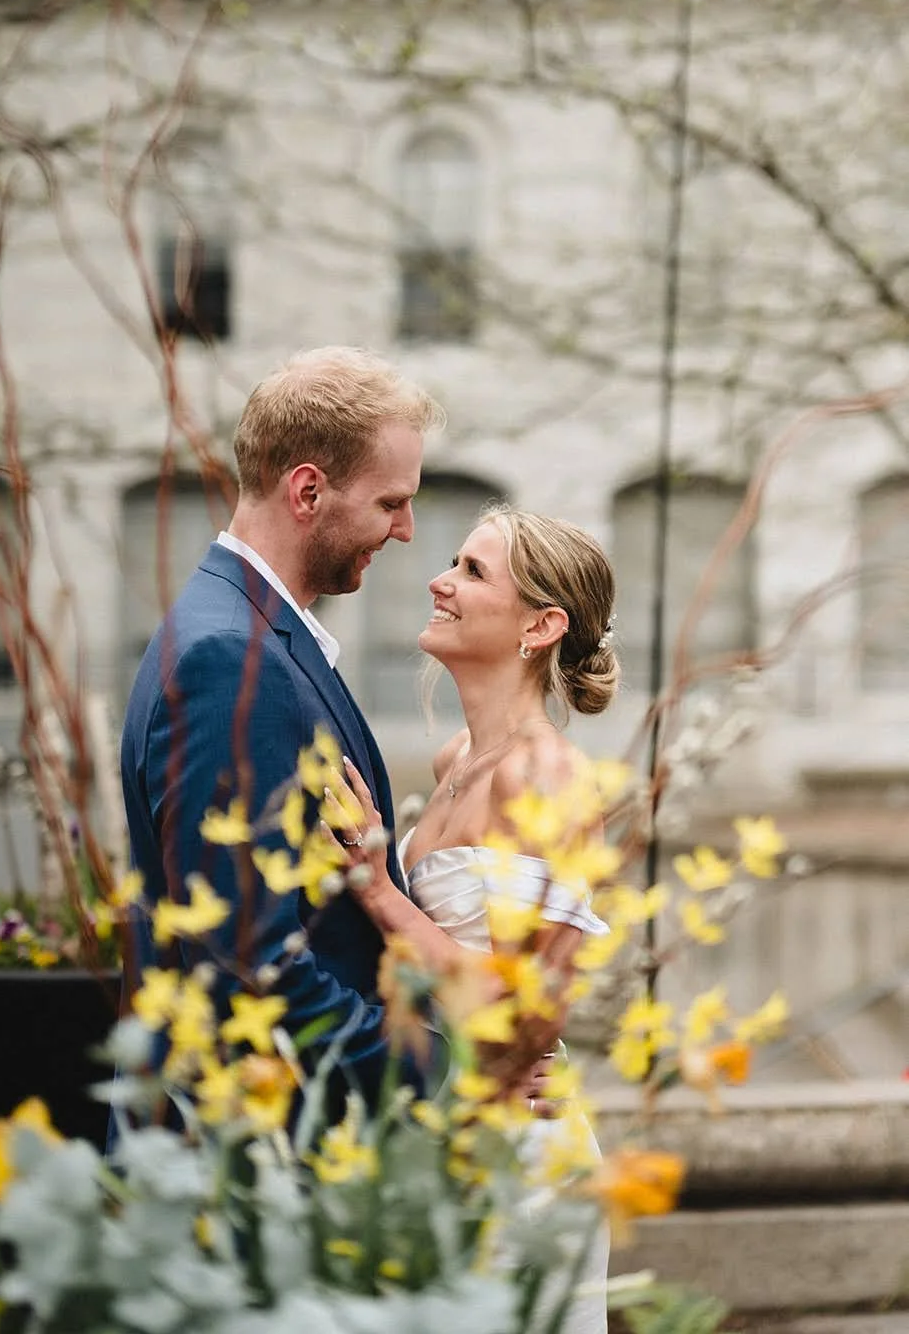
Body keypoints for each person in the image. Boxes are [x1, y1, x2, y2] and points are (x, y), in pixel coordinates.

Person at [119, 346, 445, 1108]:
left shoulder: (242, 632)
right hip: (256, 1159)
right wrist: (437, 1073)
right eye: (390, 502)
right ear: (307, 491)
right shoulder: (231, 656)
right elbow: (242, 959)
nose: (403, 530)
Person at [333, 505, 619, 1334]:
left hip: (518, 1155)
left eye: (470, 571)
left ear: (541, 624)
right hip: (447, 1119)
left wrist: (378, 887)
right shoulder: (457, 761)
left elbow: (523, 1014)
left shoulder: (546, 776)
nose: (438, 579)